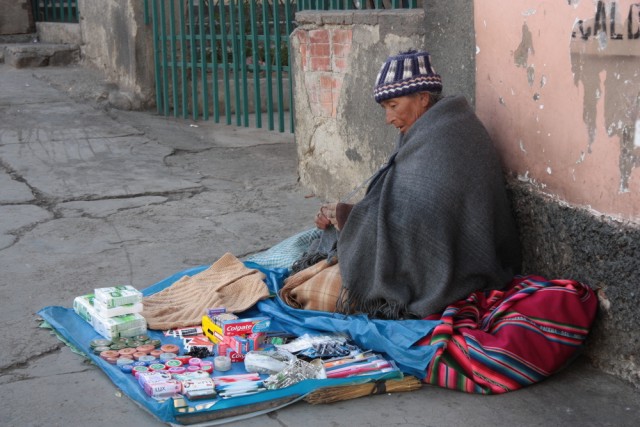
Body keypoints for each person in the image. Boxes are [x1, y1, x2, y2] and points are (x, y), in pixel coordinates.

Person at [311, 49, 522, 320]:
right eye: (385, 109)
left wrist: (349, 218)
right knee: (321, 260)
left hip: (460, 268)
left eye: (393, 106)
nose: (388, 118)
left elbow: (424, 224)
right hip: (432, 247)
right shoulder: (429, 129)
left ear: (422, 98)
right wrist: (347, 216)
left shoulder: (449, 137)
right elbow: (404, 204)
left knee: (325, 293)